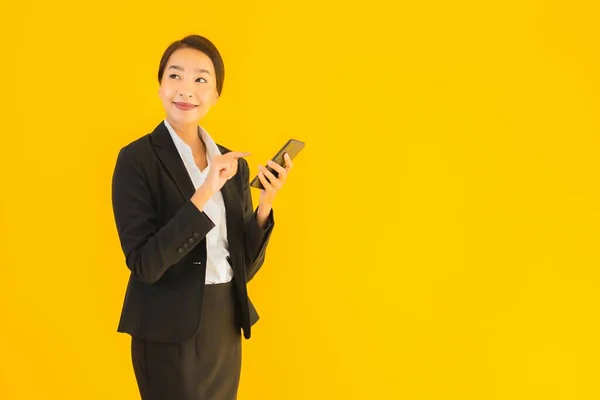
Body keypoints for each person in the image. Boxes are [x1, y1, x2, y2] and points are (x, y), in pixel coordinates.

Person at [110, 34, 293, 400]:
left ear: (216, 94)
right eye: (175, 76)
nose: (186, 90)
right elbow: (145, 264)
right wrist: (205, 190)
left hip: (223, 324)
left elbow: (244, 267)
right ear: (160, 85)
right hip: (167, 329)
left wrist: (265, 207)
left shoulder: (231, 164)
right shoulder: (136, 160)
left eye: (201, 80)